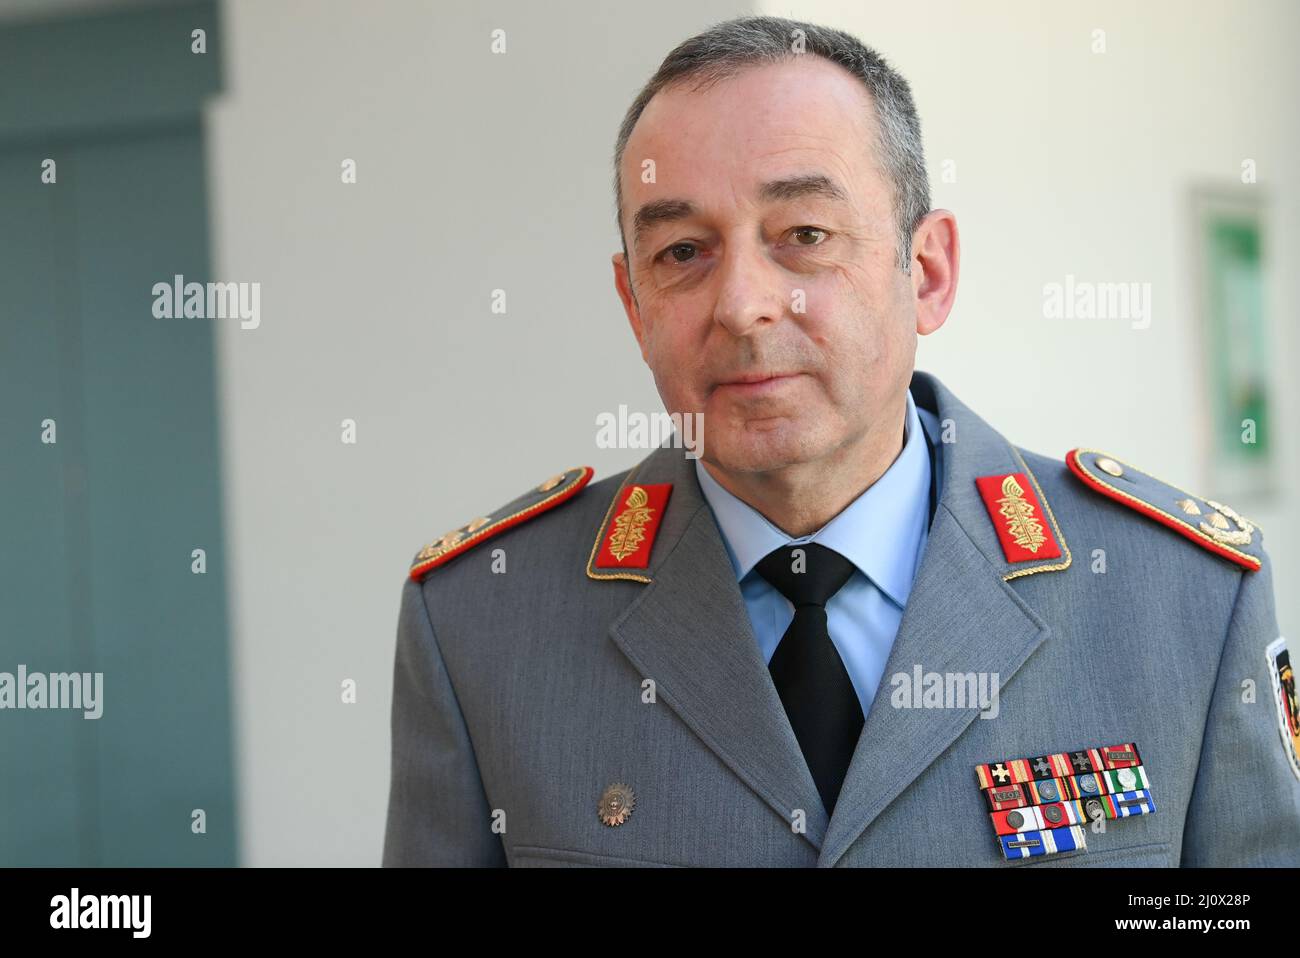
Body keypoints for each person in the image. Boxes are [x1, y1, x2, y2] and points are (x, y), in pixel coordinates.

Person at [381, 15, 1299, 867]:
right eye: (682, 253)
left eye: (805, 234)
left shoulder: (1181, 602)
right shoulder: (484, 623)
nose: (741, 305)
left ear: (927, 272)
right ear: (633, 305)